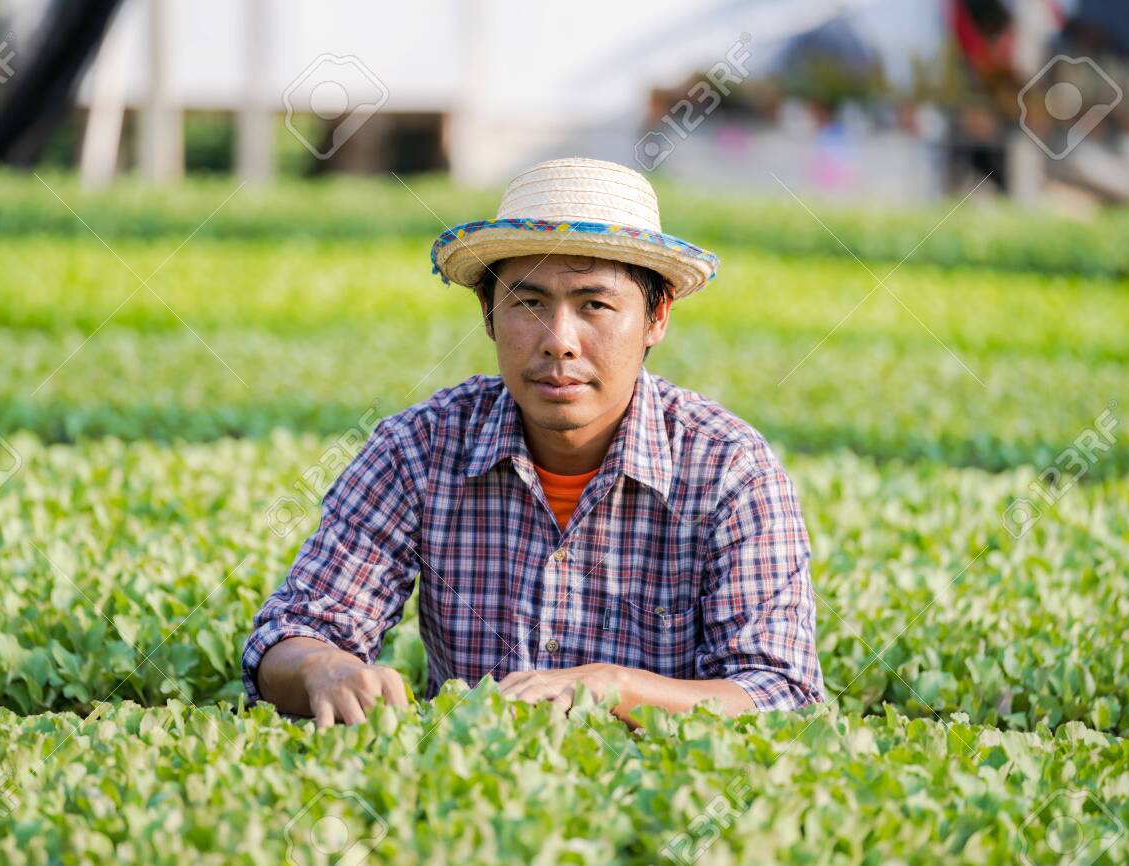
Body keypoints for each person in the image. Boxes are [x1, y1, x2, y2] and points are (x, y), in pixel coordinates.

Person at [242, 157, 824, 729]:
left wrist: (614, 688)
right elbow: (290, 634)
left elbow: (781, 690)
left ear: (657, 316)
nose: (558, 341)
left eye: (594, 305)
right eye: (529, 304)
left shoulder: (730, 468)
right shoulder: (416, 450)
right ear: (488, 314)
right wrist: (324, 667)